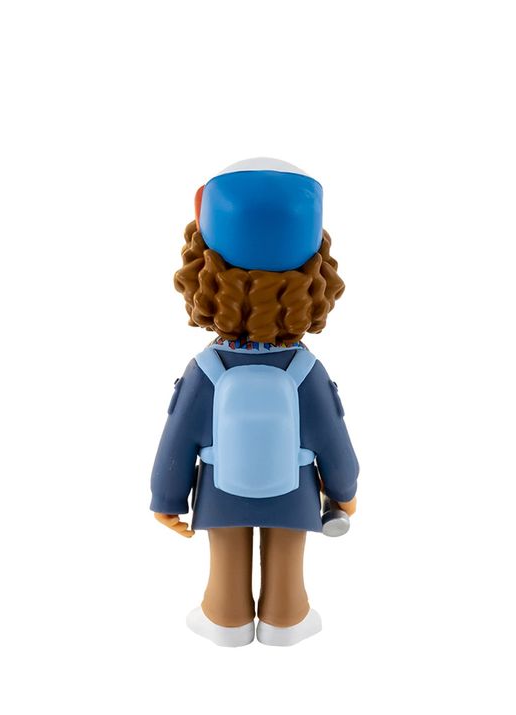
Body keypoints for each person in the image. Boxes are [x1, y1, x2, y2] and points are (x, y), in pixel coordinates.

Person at [150, 158, 359, 647]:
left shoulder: (206, 369)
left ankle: (225, 620)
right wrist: (344, 490)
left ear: (204, 272)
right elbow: (332, 437)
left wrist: (166, 498)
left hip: (222, 490)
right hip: (294, 491)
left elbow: (178, 438)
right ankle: (287, 619)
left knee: (225, 555)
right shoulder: (305, 370)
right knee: (288, 555)